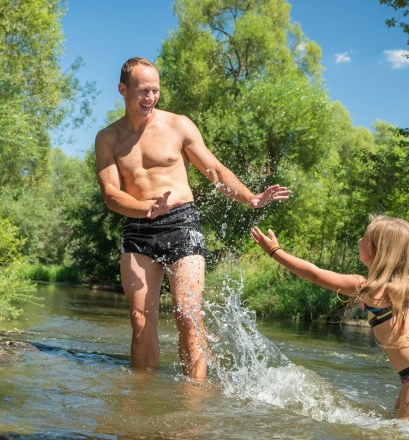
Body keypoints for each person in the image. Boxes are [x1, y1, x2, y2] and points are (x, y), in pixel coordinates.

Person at [95, 57, 291, 380]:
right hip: (138, 227)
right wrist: (146, 208)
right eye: (143, 91)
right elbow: (110, 194)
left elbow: (214, 170)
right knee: (140, 319)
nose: (150, 97)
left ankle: (194, 398)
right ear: (123, 90)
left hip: (182, 224)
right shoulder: (108, 138)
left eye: (155, 90)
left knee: (188, 314)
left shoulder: (178, 126)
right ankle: (140, 394)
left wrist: (250, 197)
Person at [250, 216, 409, 421]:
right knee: (398, 426)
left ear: (377, 250)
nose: (360, 241)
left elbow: (315, 274)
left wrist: (275, 252)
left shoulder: (368, 288)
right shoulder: (405, 288)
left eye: (364, 238)